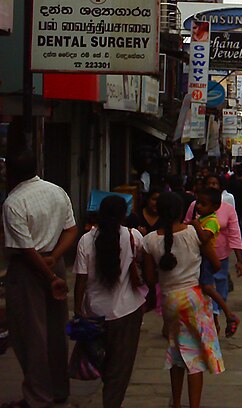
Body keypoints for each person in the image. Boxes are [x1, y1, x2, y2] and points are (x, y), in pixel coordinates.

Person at [2, 149, 78, 408]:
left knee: (30, 334)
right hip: (52, 263)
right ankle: (58, 388)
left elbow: (26, 249)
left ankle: (38, 396)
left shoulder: (13, 202)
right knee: (56, 331)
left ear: (9, 173)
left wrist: (48, 273)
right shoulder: (56, 191)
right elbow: (71, 229)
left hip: (30, 270)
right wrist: (54, 259)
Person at [142, 192, 224, 408]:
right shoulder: (192, 232)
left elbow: (150, 279)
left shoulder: (149, 240)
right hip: (193, 297)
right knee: (195, 359)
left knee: (177, 352)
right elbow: (215, 264)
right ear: (181, 211)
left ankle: (176, 403)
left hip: (169, 300)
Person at [73, 195, 146, 408]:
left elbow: (80, 280)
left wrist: (79, 311)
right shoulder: (132, 237)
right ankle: (112, 402)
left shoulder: (86, 240)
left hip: (95, 312)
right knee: (120, 366)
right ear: (124, 215)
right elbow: (143, 262)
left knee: (101, 360)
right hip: (127, 311)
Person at [183, 175, 242, 332]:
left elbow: (235, 233)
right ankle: (212, 320)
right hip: (198, 256)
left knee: (217, 287)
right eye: (209, 183)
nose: (212, 185)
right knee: (203, 288)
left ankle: (220, 317)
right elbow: (185, 226)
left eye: (215, 183)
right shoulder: (194, 207)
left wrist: (239, 258)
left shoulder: (227, 209)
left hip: (221, 255)